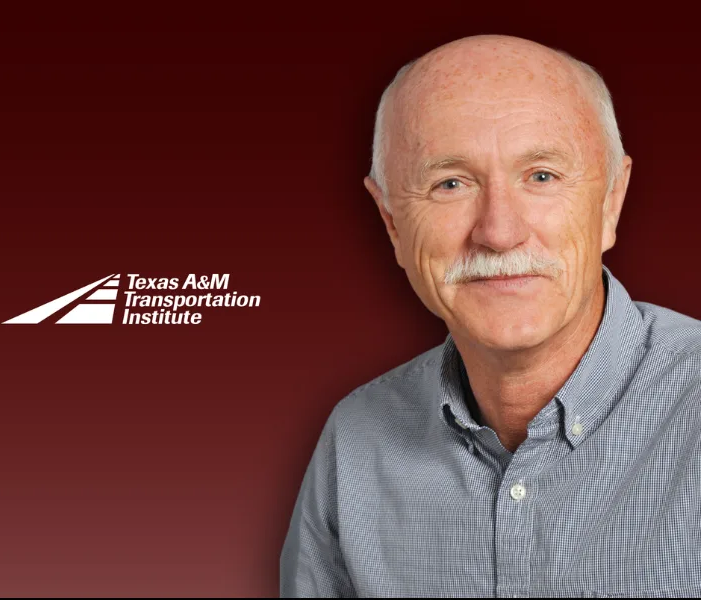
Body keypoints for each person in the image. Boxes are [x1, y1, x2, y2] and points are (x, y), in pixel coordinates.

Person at [279, 34, 701, 598]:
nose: (499, 232)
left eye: (542, 176)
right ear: (392, 224)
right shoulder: (357, 441)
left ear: (611, 202)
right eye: (450, 183)